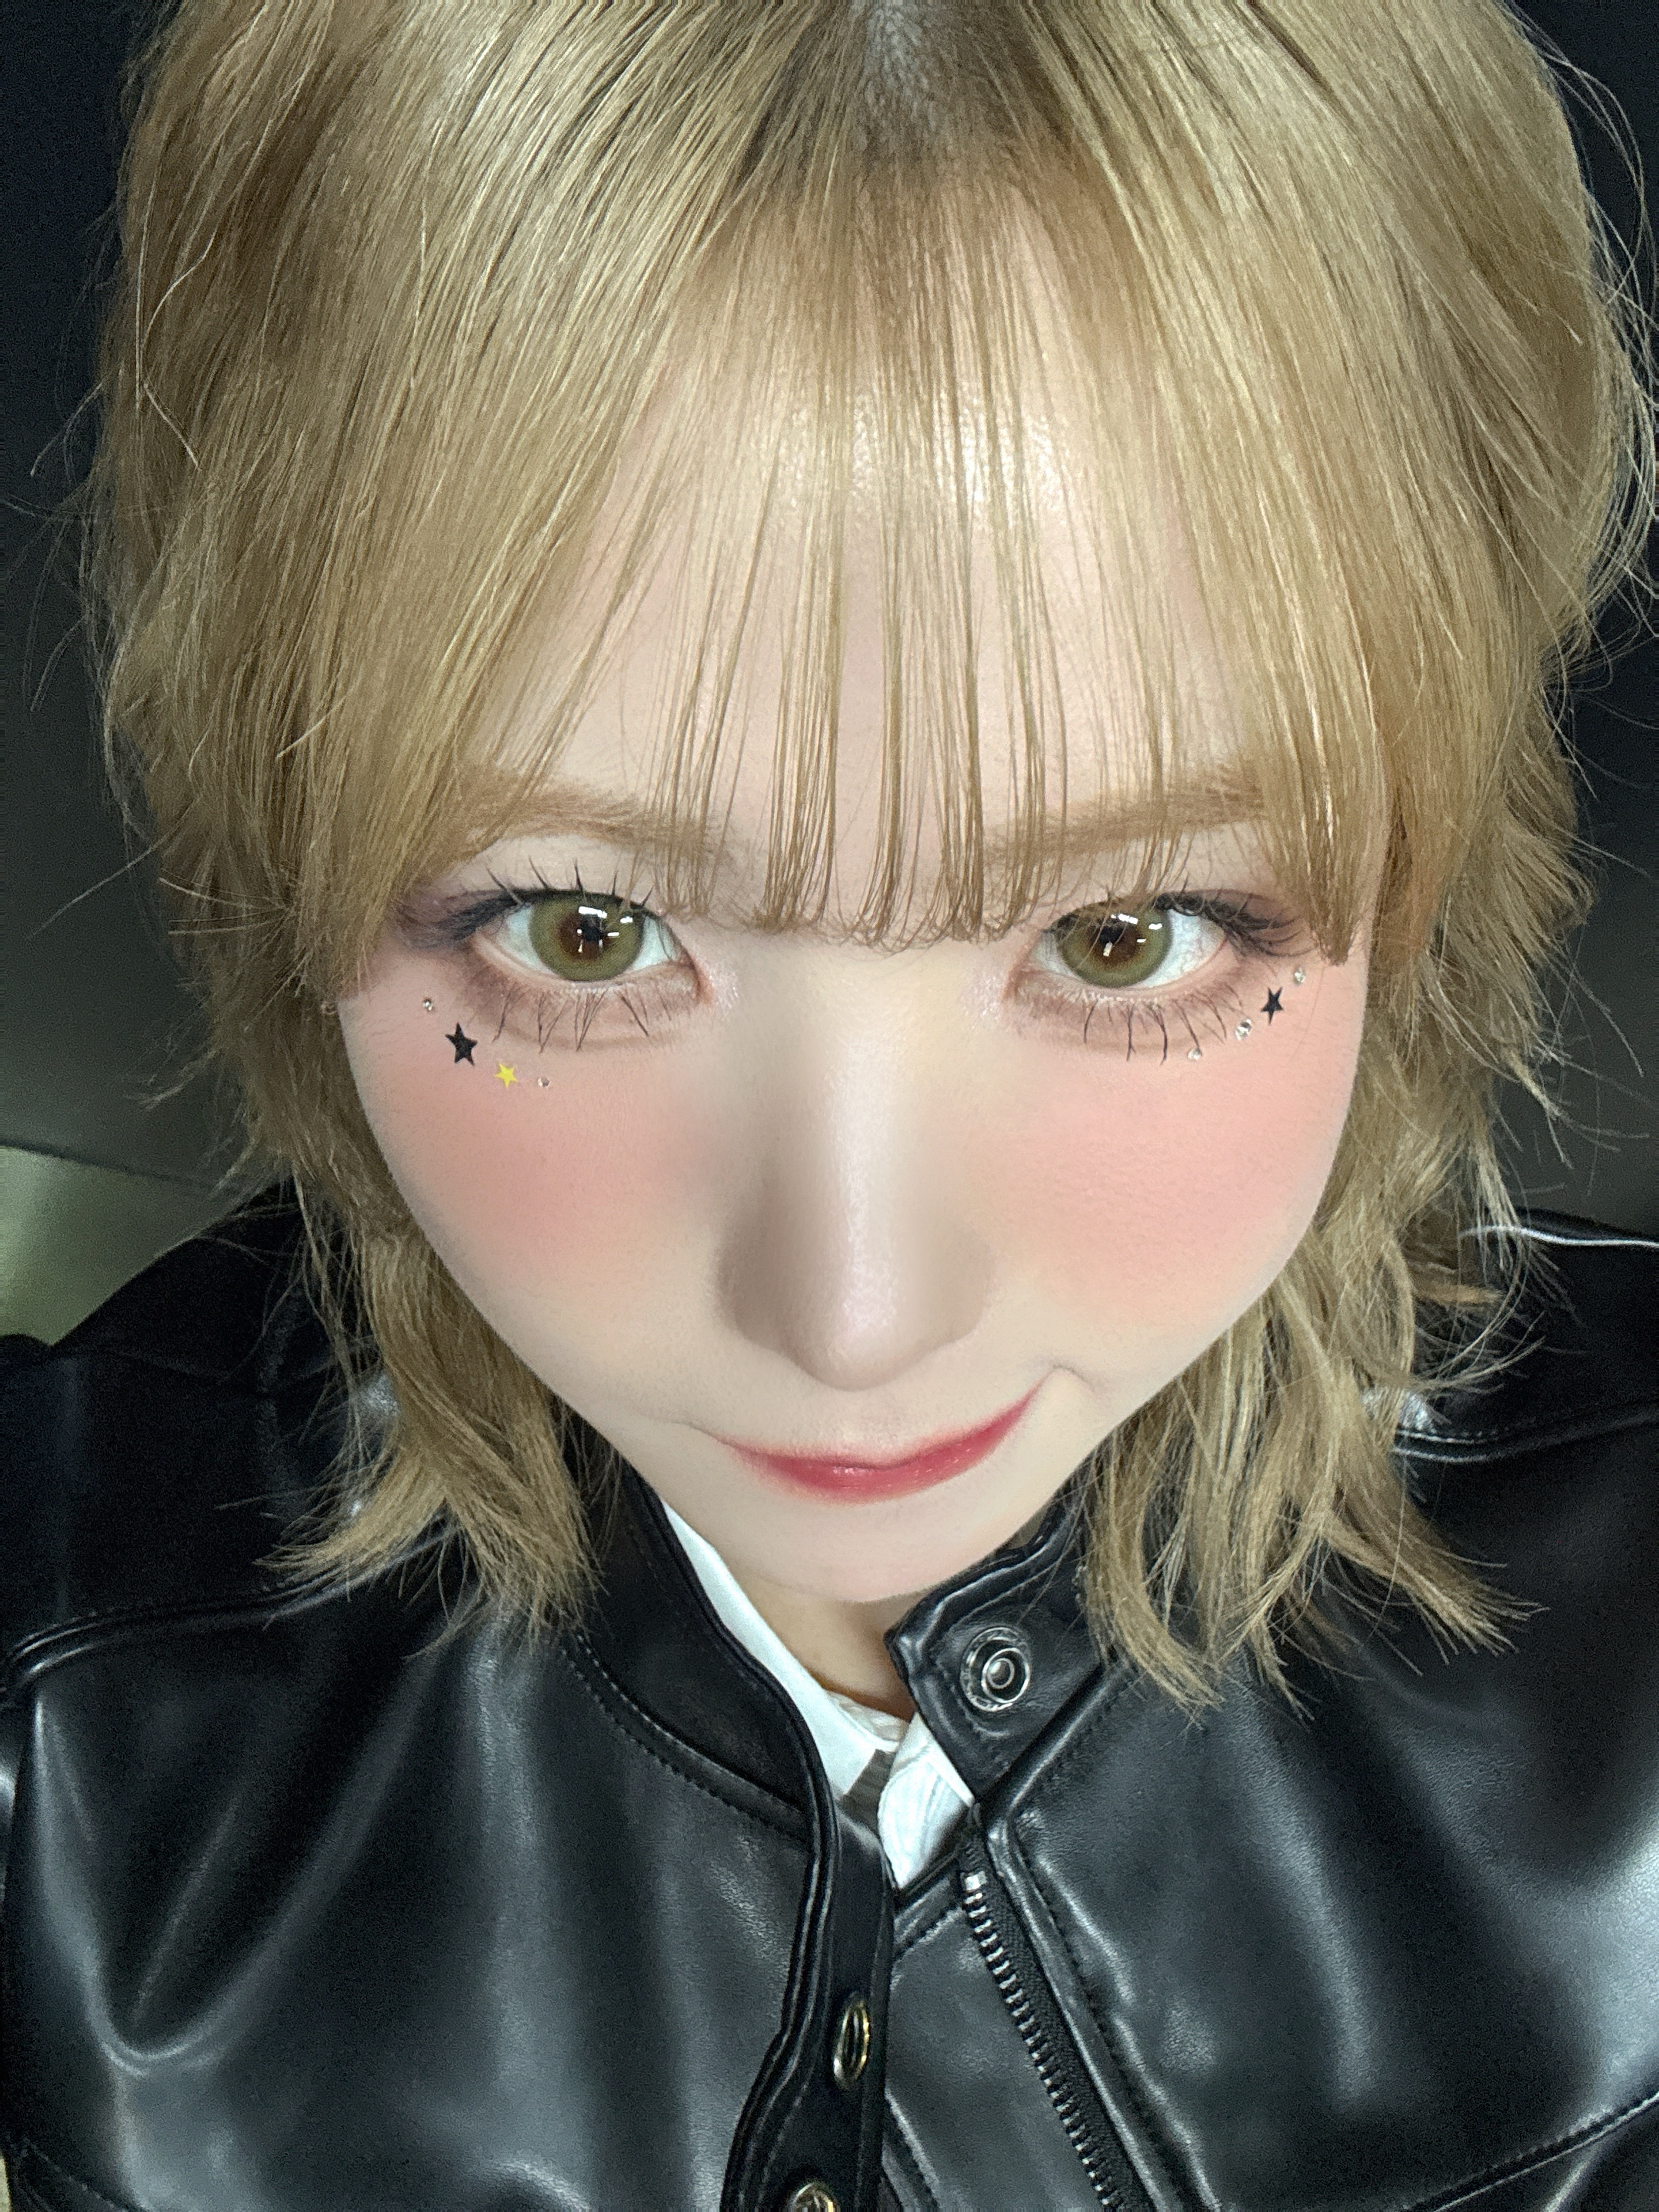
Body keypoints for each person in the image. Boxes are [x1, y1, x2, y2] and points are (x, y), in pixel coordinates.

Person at [2, 0, 1656, 2205]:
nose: (855, 1320)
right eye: (587, 931)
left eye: (1126, 933)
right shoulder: (68, 1693)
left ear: (1427, 862)